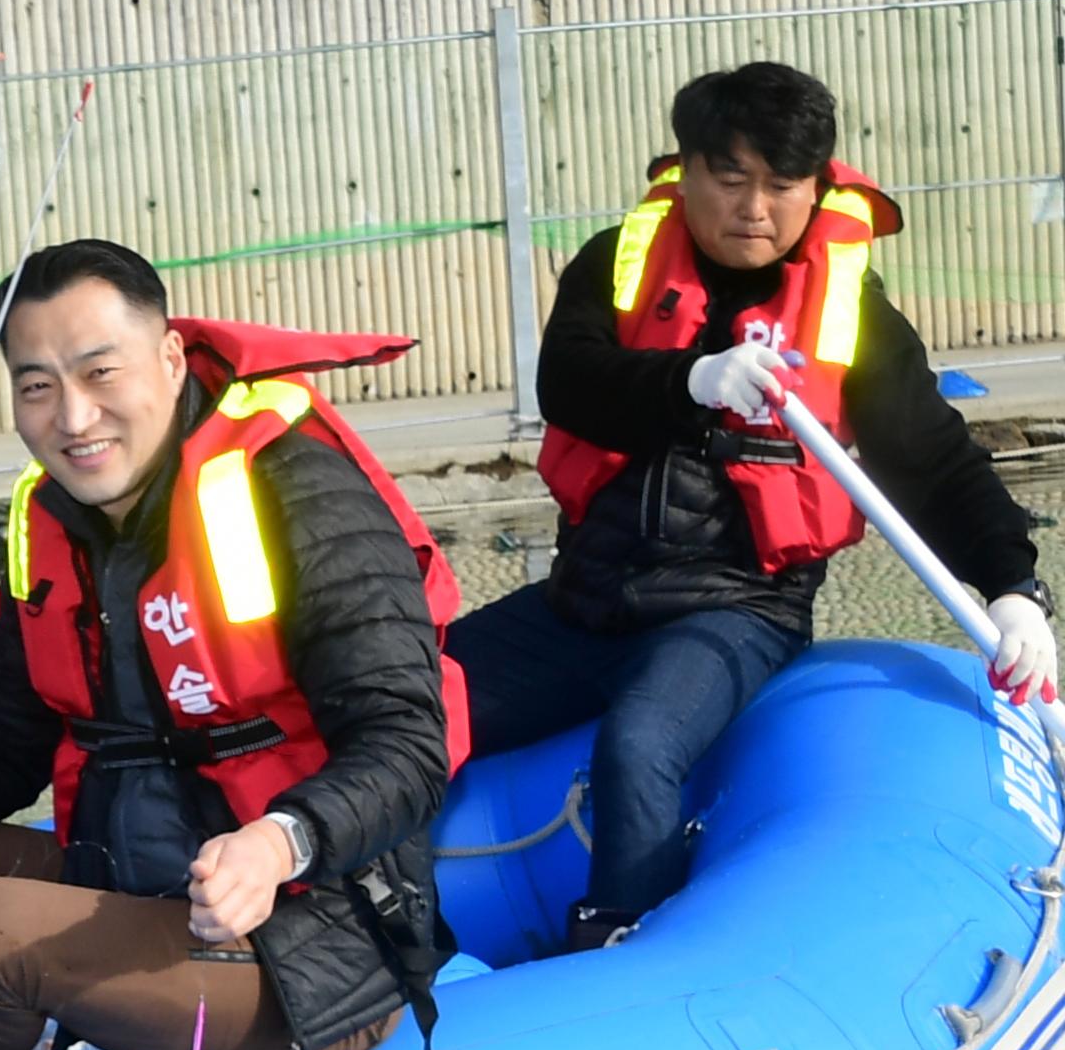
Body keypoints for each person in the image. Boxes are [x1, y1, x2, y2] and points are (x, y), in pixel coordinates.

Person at [0, 240, 470, 1050]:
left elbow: (409, 744)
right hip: (134, 882)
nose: (73, 417)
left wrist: (279, 840)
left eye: (101, 372)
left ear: (170, 358)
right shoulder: (53, 521)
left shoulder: (298, 492)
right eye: (36, 386)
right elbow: (0, 744)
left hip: (302, 940)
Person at [451, 61, 1055, 949]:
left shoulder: (849, 310)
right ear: (686, 169)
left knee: (641, 746)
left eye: (783, 186)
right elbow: (569, 383)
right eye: (731, 179)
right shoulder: (619, 267)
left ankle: (625, 949)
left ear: (817, 189)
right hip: (586, 601)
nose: (755, 209)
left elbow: (933, 459)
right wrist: (691, 379)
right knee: (409, 693)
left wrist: (1012, 586)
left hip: (738, 610)